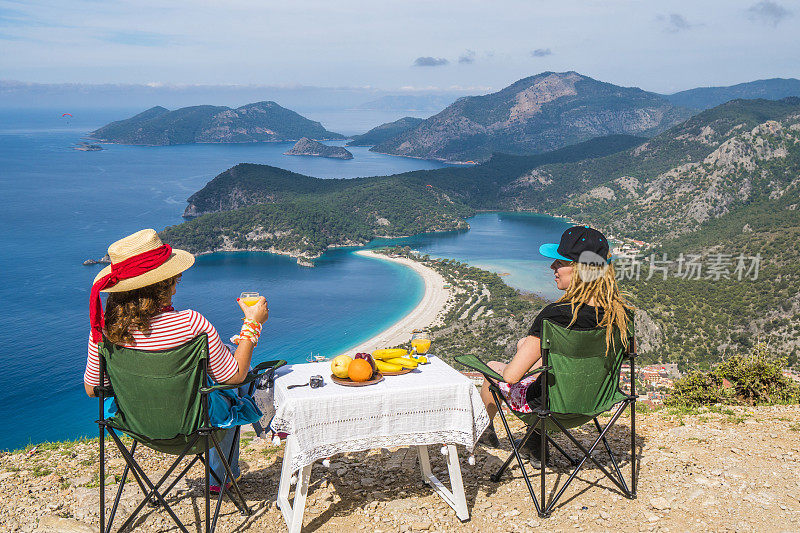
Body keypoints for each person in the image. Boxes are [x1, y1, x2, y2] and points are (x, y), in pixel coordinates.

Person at [83, 228, 269, 493]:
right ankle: (222, 476)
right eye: (173, 278)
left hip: (137, 428)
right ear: (162, 284)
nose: (177, 281)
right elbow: (235, 375)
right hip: (195, 430)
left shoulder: (102, 331)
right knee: (242, 380)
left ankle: (224, 474)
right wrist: (252, 324)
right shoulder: (191, 323)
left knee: (222, 366)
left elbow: (93, 389)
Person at [479, 225, 633, 452]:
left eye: (560, 263)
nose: (552, 267)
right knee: (527, 345)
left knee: (493, 367)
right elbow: (628, 354)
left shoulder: (555, 316)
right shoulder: (620, 314)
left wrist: (502, 368)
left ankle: (486, 432)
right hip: (594, 404)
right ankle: (534, 444)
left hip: (550, 409)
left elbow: (511, 377)